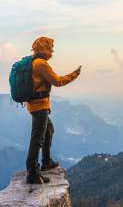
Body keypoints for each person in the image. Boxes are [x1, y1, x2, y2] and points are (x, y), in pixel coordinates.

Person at [25, 36, 81, 184]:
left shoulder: (32, 62)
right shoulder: (41, 64)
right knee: (38, 138)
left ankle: (46, 161)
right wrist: (75, 74)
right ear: (45, 50)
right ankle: (32, 173)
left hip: (35, 104)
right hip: (39, 106)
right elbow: (58, 81)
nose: (52, 52)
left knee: (48, 130)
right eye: (51, 48)